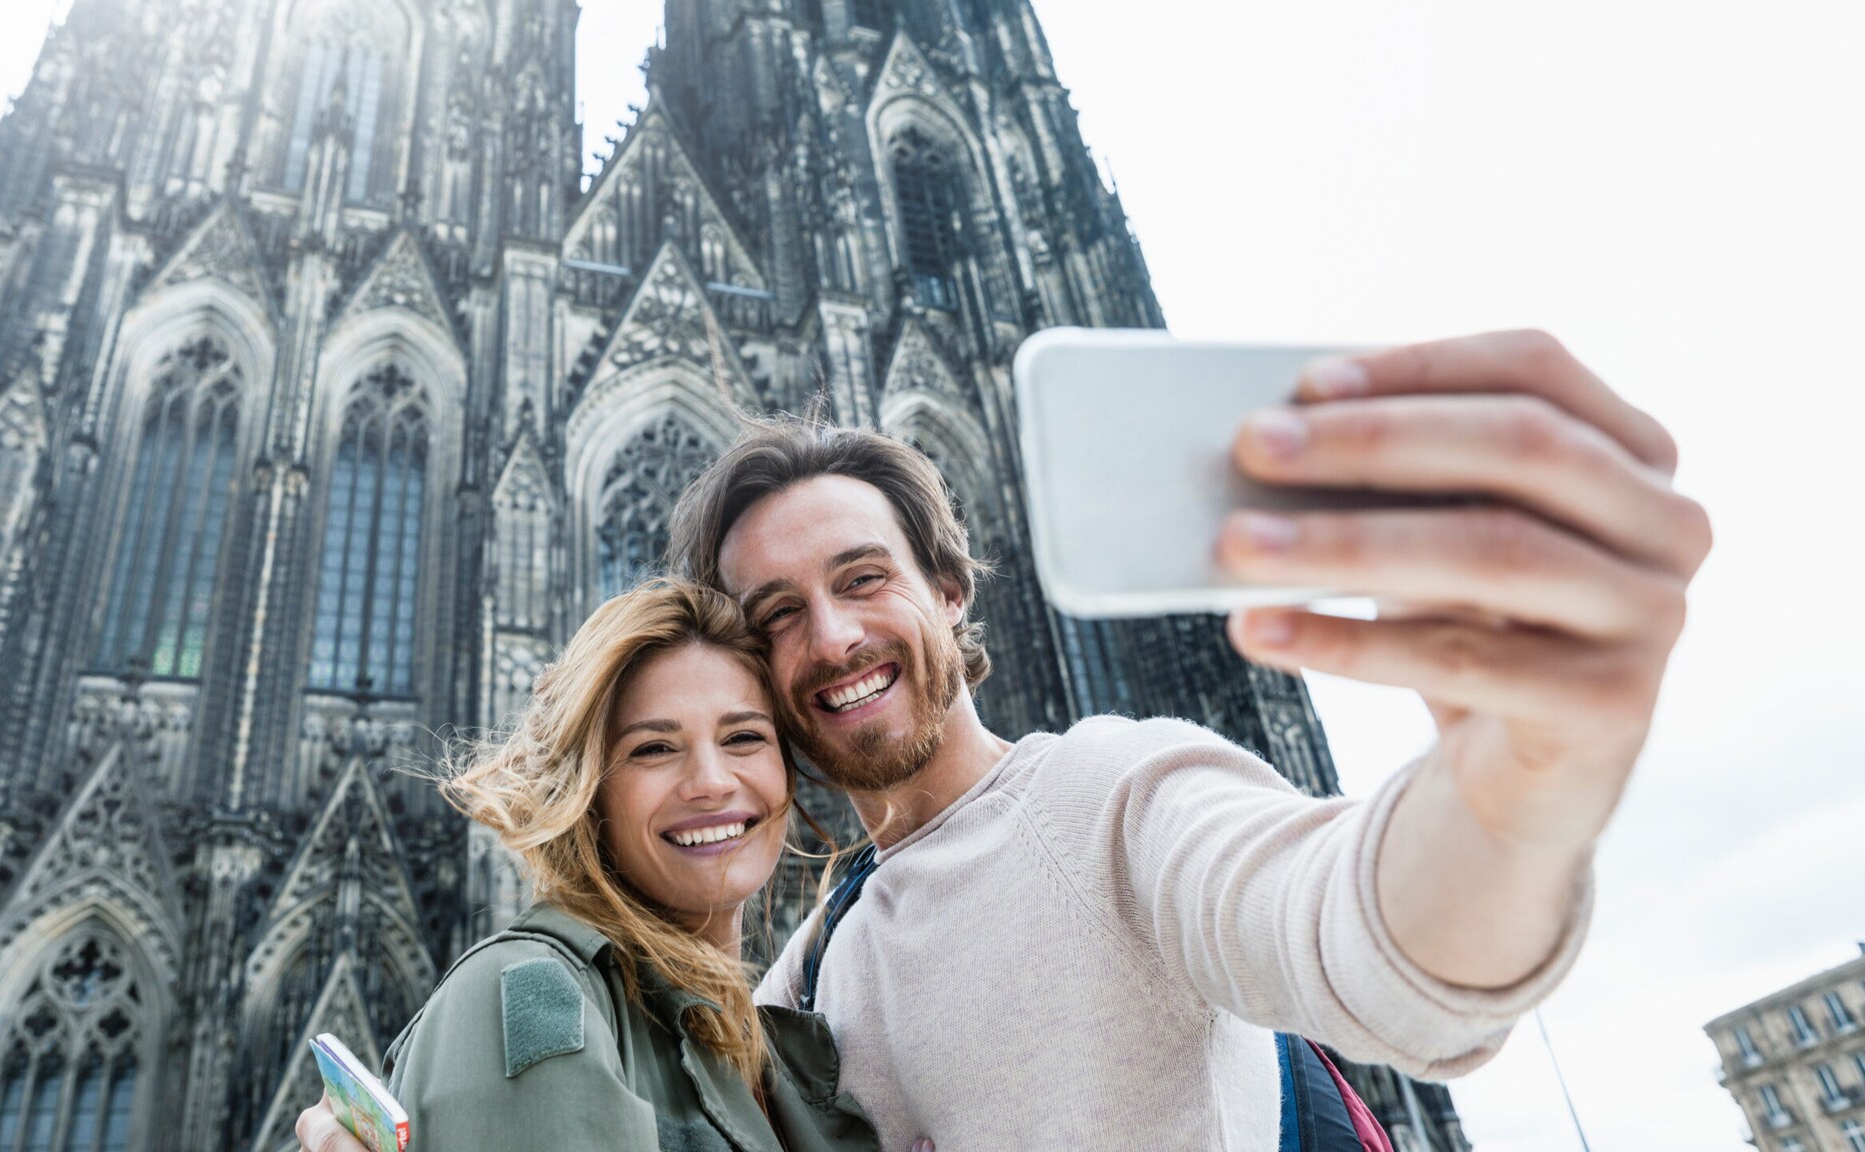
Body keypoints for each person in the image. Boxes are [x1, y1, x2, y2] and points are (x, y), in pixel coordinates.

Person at [647, 331, 1709, 1149]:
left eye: (862, 577)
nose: (830, 636)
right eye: (778, 613)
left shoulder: (1111, 798)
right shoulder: (808, 972)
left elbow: (1360, 942)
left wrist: (1508, 799)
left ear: (948, 590)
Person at [296, 580, 879, 1152]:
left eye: (744, 737)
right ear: (585, 790)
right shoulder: (530, 994)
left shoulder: (776, 1050)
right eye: (653, 748)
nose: (711, 782)